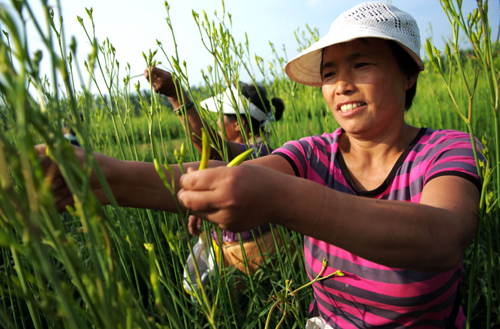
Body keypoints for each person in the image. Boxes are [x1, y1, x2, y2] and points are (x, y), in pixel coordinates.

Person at [39, 2, 483, 327]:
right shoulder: (311, 153)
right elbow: (212, 179)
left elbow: (441, 236)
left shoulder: (446, 149)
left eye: (362, 64)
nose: (342, 84)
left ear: (408, 75)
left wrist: (281, 200)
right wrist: (96, 175)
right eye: (329, 74)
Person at [144, 67, 286, 274]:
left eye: (222, 117)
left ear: (239, 123)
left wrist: (177, 96)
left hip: (250, 257)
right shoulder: (251, 153)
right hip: (232, 251)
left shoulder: (260, 153)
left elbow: (211, 147)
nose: (218, 122)